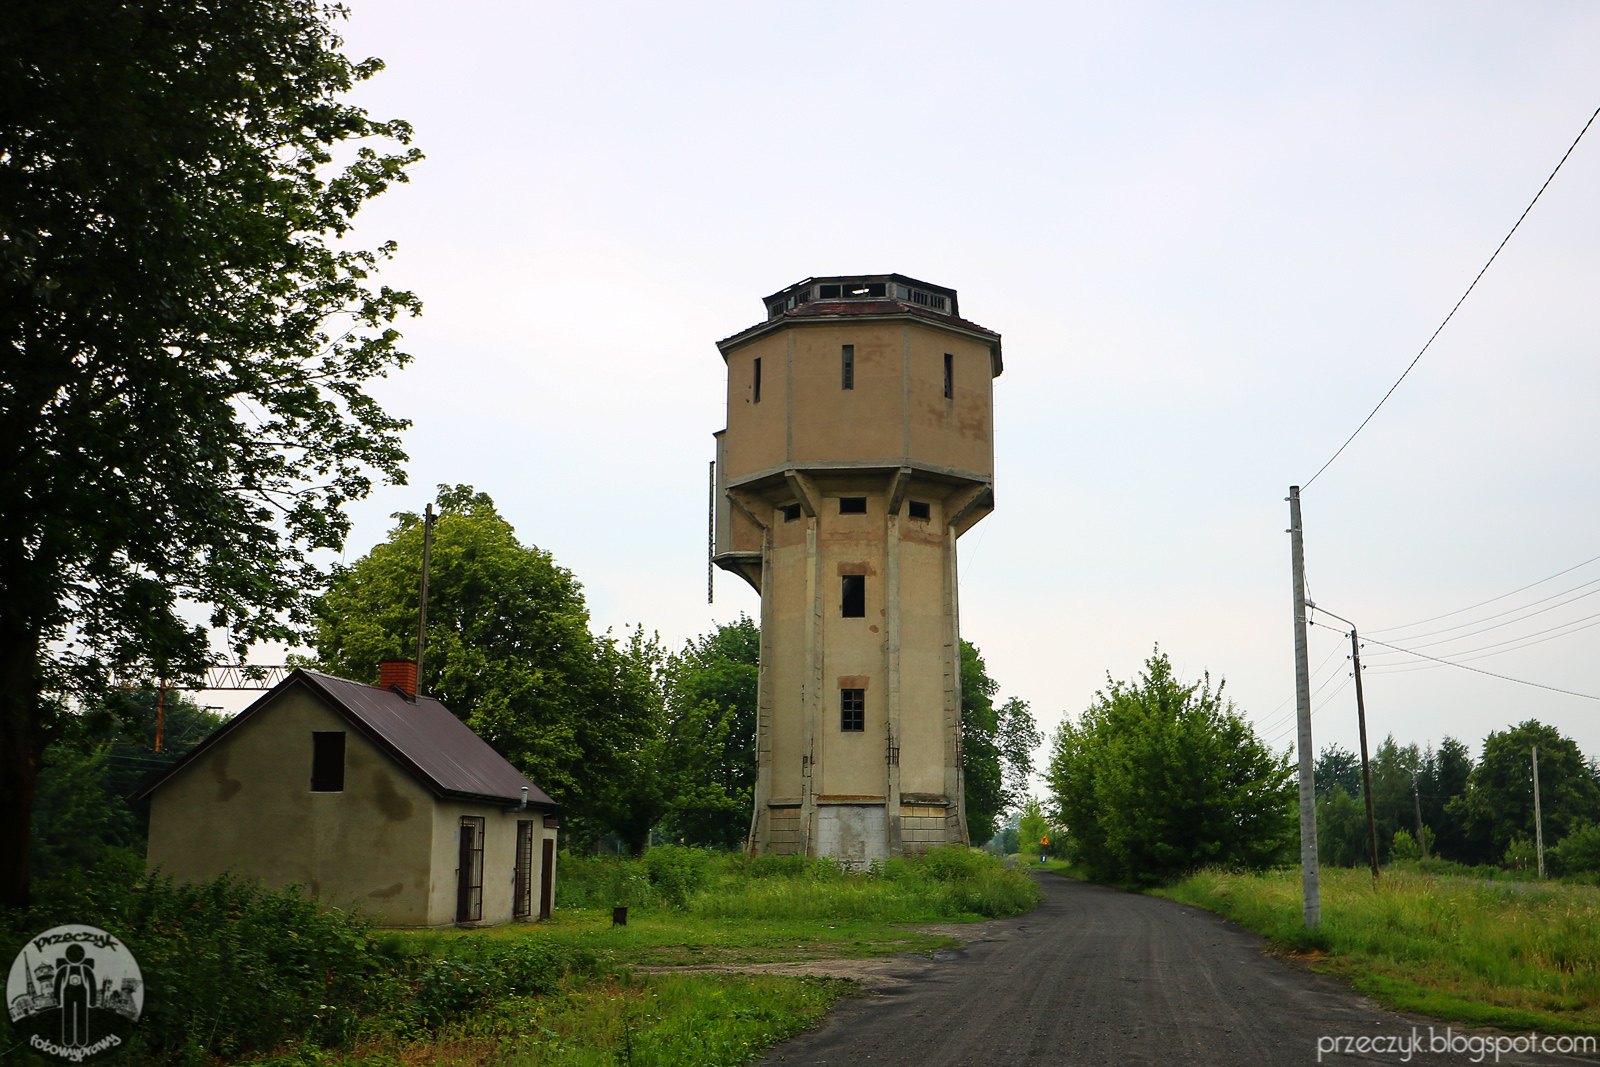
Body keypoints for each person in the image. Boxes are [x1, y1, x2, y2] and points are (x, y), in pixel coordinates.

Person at [53, 944, 98, 1048]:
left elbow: (92, 984)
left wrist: (92, 999)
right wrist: (58, 999)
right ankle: (67, 1039)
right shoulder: (64, 969)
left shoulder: (85, 969)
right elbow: (58, 984)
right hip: (68, 996)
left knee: (82, 1017)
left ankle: (82, 1040)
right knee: (67, 1017)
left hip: (81, 995)